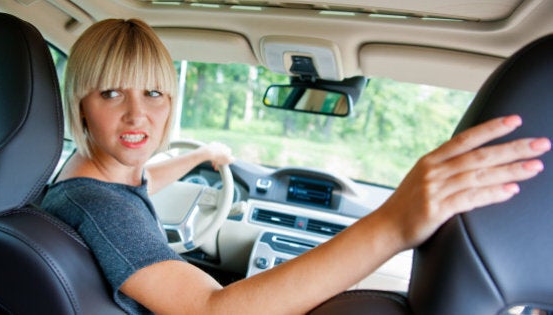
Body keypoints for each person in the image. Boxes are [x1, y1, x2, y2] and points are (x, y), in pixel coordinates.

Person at [41, 18, 551, 315]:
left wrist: (200, 158)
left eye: (153, 92)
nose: (137, 114)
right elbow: (210, 310)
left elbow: (142, 179)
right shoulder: (100, 207)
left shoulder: (82, 178)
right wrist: (395, 223)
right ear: (80, 101)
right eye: (112, 92)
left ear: (171, 100)